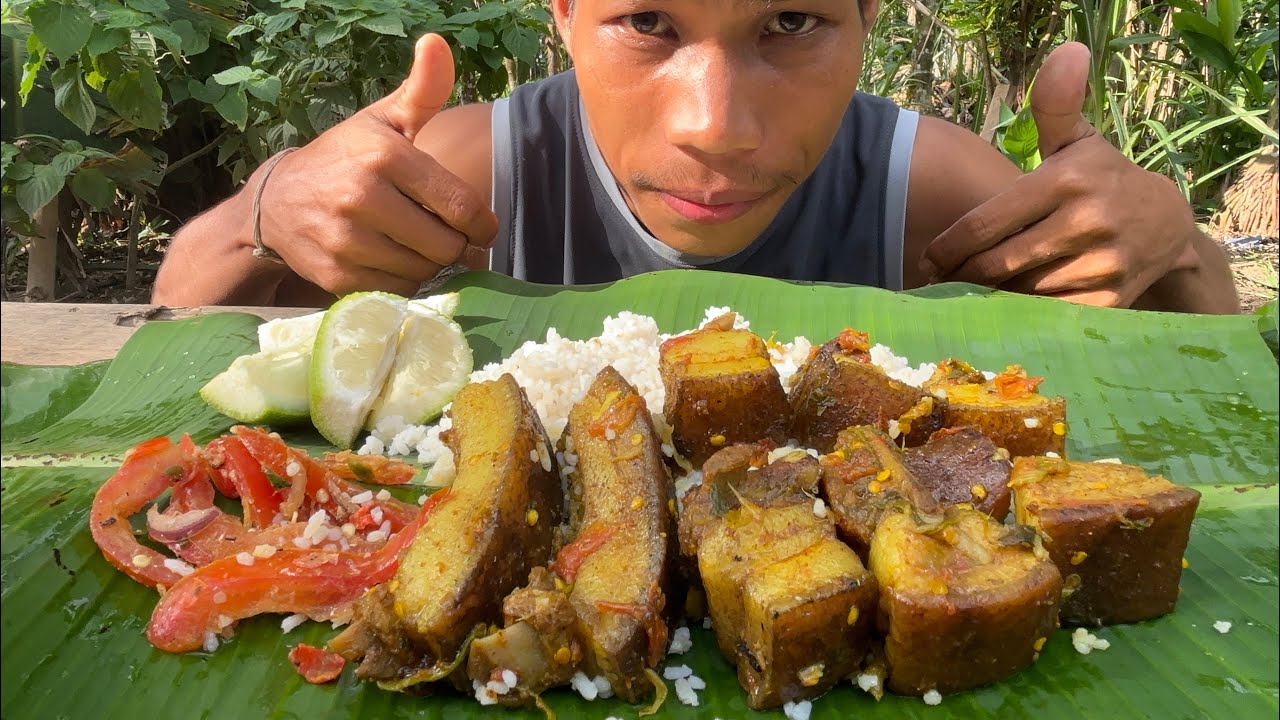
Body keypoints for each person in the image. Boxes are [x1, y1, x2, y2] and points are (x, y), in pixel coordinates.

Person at [152, 0, 1239, 314]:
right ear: (564, 16)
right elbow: (178, 301)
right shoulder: (472, 170)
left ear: (867, 19)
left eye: (791, 24)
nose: (714, 126)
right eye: (648, 25)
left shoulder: (935, 195)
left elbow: (1197, 342)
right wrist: (267, 205)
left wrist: (1175, 248)